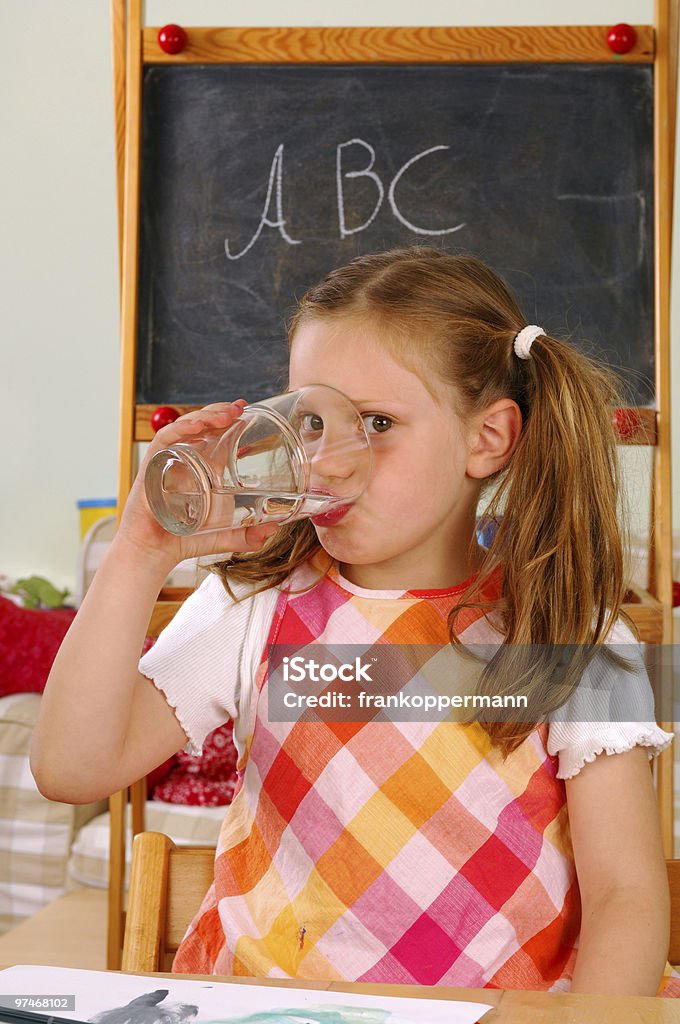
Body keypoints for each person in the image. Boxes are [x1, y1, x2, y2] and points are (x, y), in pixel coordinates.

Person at [32, 246, 677, 996]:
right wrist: (139, 552)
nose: (329, 461)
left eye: (375, 421)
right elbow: (70, 770)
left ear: (487, 439)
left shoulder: (577, 636)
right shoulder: (252, 607)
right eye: (311, 421)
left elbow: (625, 899)